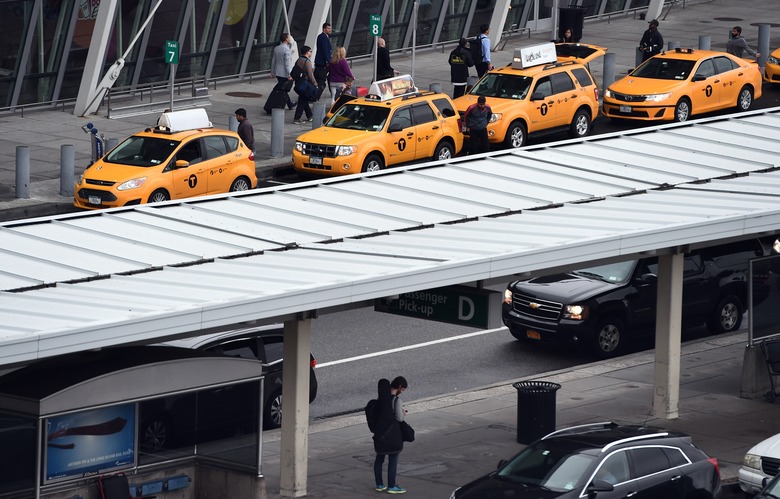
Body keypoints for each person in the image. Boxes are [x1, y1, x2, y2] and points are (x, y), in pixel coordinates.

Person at [372, 377, 407, 494]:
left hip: (380, 436)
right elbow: (399, 418)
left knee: (379, 459)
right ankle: (392, 486)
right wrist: (403, 413)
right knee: (393, 460)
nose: (402, 392)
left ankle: (379, 484)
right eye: (403, 389)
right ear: (400, 387)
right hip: (393, 436)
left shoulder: (378, 402)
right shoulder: (396, 401)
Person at [292, 46, 318, 124]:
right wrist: (315, 84)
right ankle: (297, 118)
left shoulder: (298, 60)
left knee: (304, 99)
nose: (311, 52)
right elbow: (310, 75)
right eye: (310, 51)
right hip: (305, 84)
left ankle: (310, 116)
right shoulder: (307, 62)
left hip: (298, 83)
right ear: (307, 52)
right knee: (302, 100)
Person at [270, 33, 296, 110]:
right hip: (284, 73)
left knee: (282, 89)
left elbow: (273, 61)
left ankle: (290, 104)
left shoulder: (277, 48)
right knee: (283, 90)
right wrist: (290, 74)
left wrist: (272, 71)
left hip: (278, 72)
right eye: (288, 37)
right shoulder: (286, 50)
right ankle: (287, 104)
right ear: (286, 39)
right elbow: (287, 64)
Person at [314, 23, 332, 100]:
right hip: (322, 63)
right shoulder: (324, 37)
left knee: (318, 79)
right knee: (321, 80)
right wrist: (329, 61)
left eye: (330, 28)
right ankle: (316, 96)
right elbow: (325, 51)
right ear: (324, 29)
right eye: (328, 28)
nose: (329, 30)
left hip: (319, 62)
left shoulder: (321, 37)